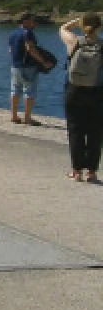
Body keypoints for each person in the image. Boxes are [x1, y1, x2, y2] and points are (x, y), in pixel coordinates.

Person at [58, 14, 103, 183]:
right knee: (95, 132)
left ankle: (76, 171)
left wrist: (76, 22)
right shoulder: (102, 46)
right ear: (99, 27)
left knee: (75, 130)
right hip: (97, 91)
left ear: (83, 26)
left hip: (74, 91)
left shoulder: (74, 41)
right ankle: (91, 171)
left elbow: (62, 28)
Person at [9, 13, 43, 126]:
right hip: (28, 67)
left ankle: (14, 116)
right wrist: (43, 61)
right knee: (29, 92)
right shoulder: (28, 33)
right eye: (33, 21)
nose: (35, 23)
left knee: (15, 90)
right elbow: (30, 49)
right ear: (25, 21)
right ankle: (27, 118)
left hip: (15, 66)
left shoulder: (13, 33)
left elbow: (10, 51)